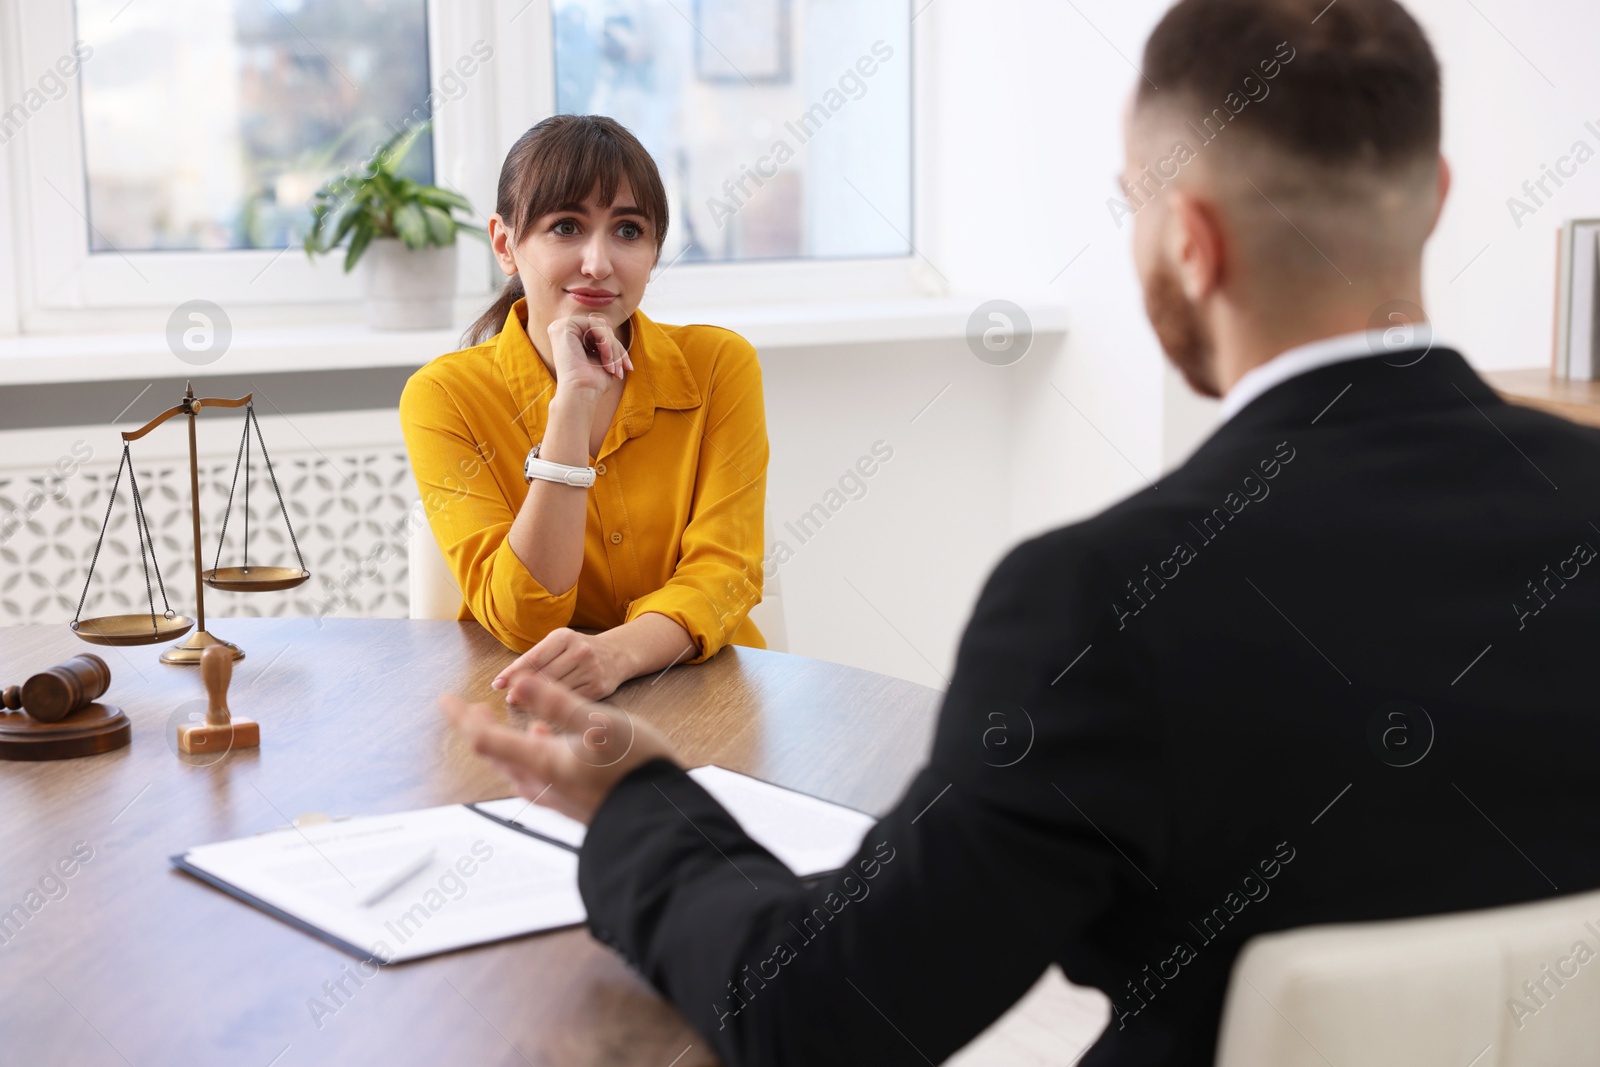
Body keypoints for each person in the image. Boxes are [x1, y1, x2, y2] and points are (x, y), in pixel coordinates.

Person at [441, 0, 1600, 1063]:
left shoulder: (1101, 601)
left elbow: (816, 1011)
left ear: (1187, 240)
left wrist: (641, 806)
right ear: (1436, 194)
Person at [400, 115, 768, 700]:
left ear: (654, 251)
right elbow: (525, 619)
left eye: (628, 231)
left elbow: (726, 574)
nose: (598, 262)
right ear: (505, 244)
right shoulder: (444, 397)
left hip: (703, 691)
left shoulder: (719, 365)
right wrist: (570, 408)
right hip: (532, 704)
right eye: (566, 226)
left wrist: (617, 653)